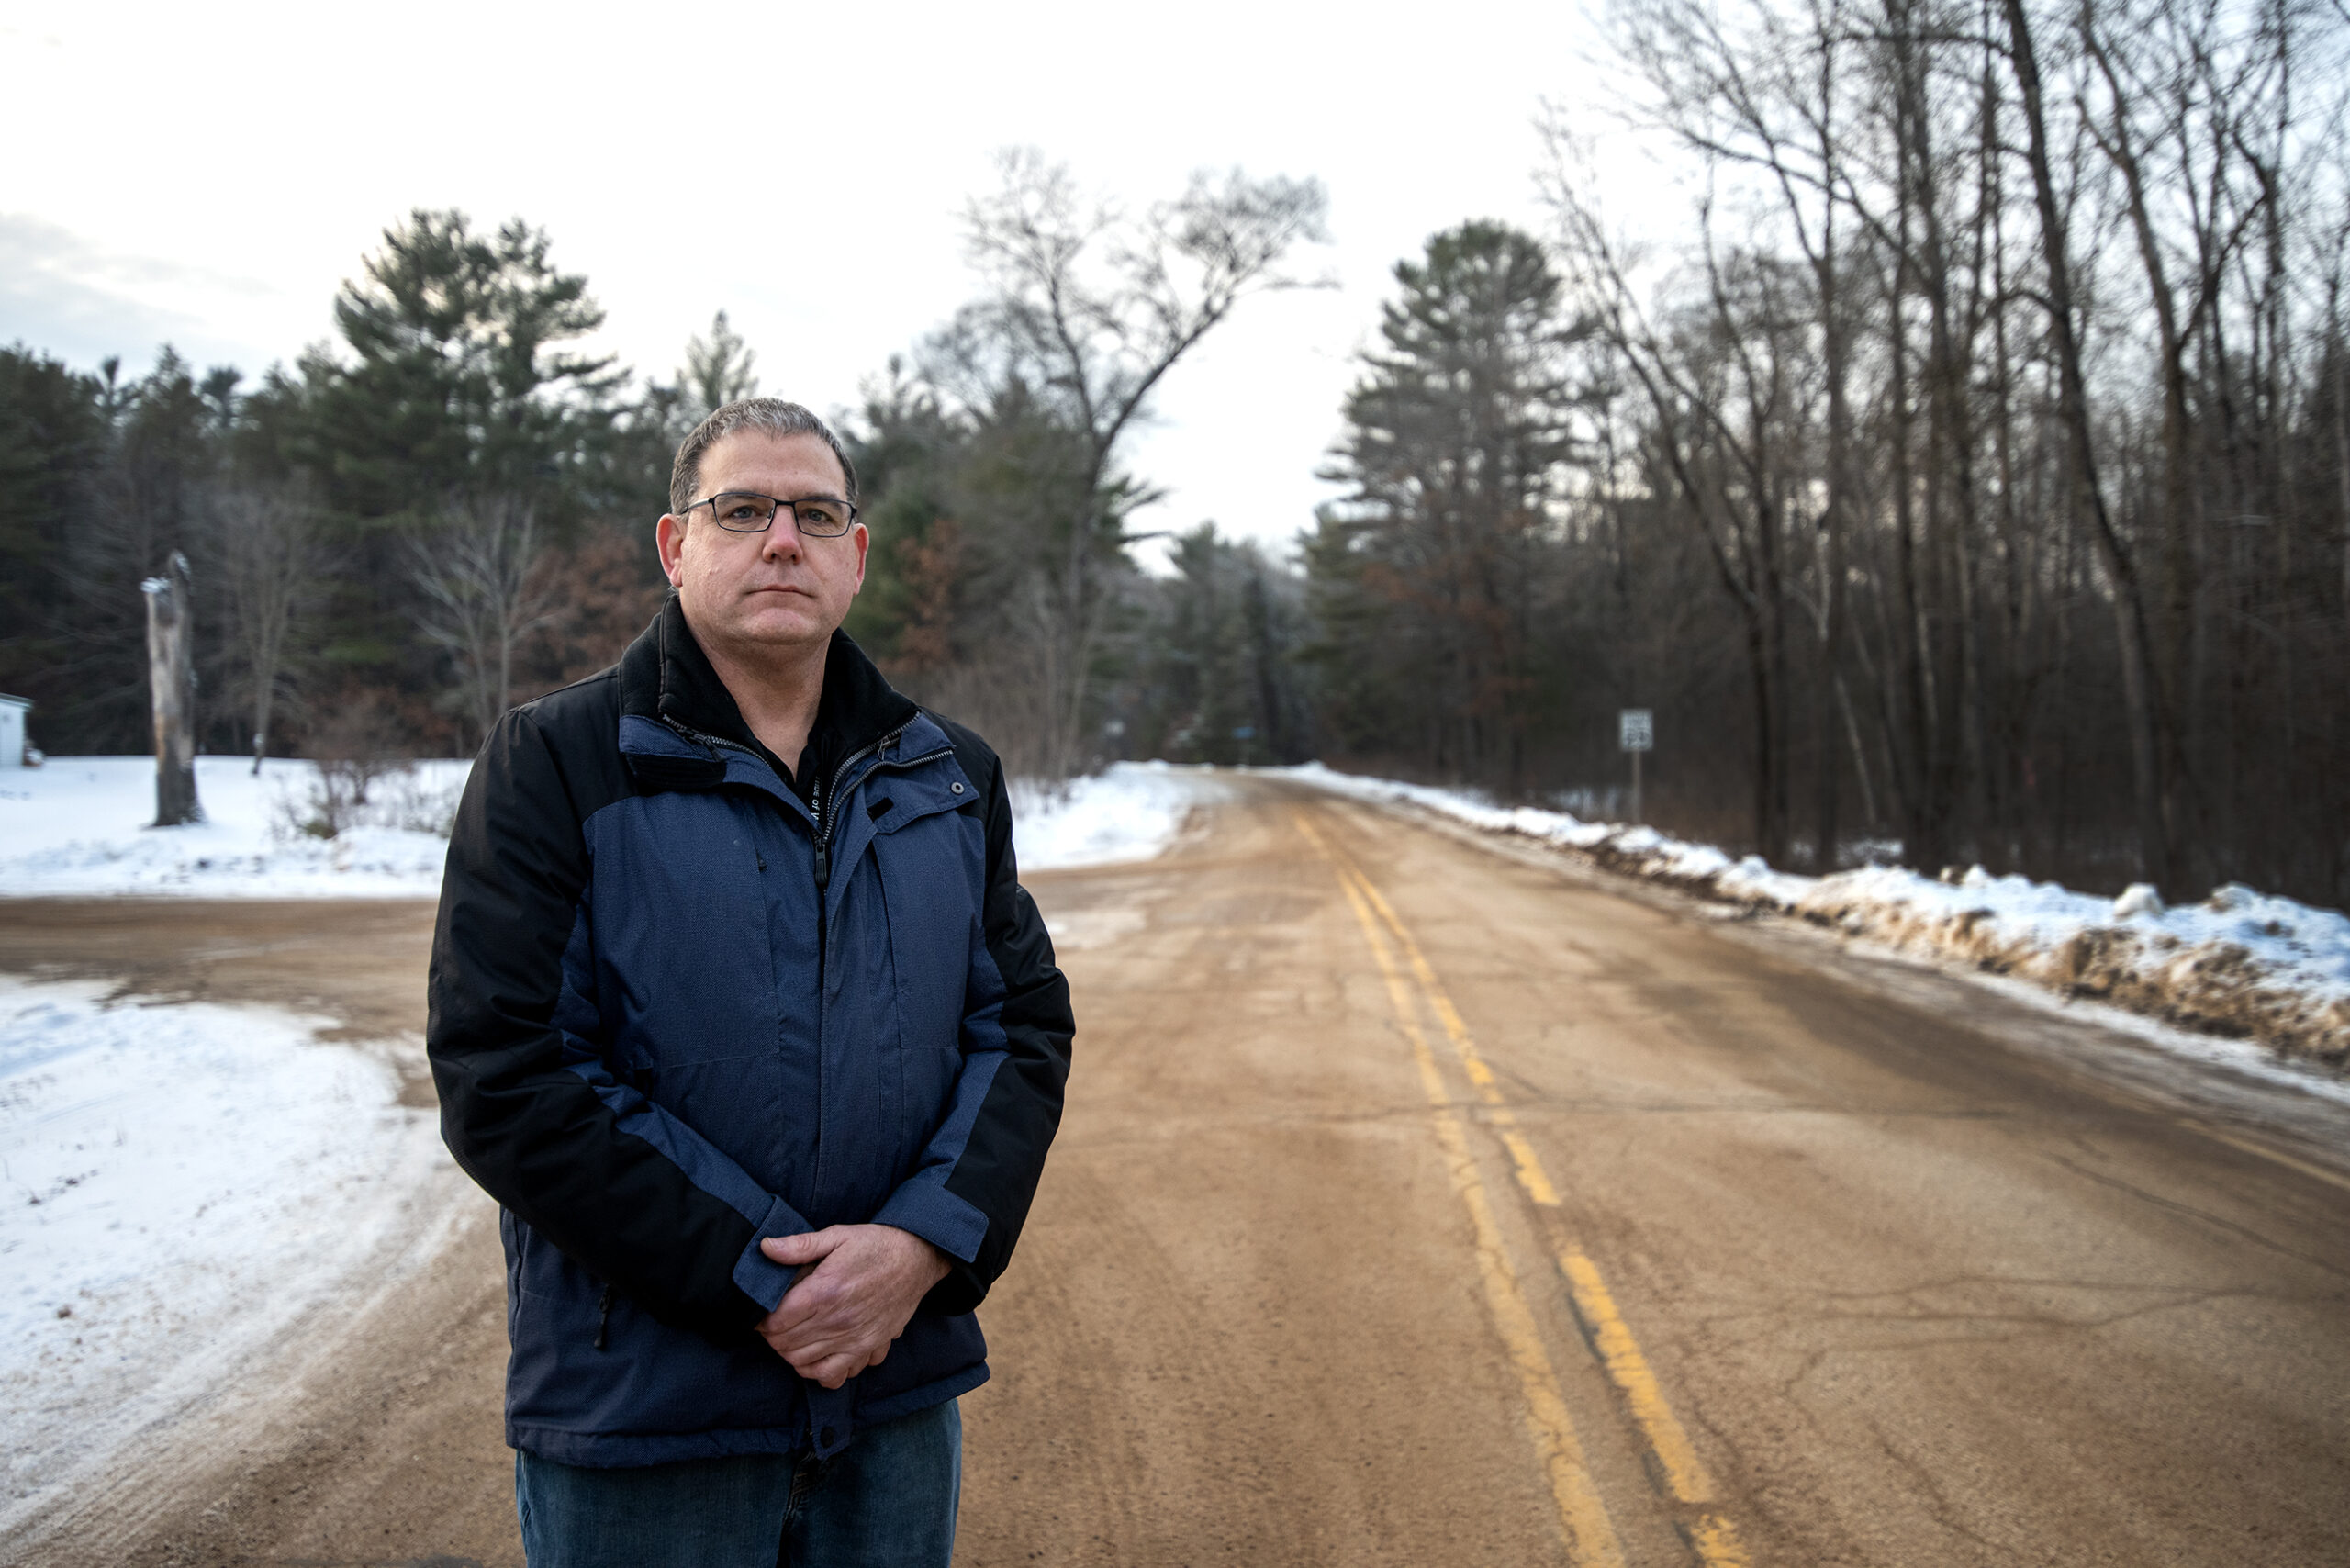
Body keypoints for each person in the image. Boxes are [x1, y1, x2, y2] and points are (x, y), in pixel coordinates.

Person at [427, 398, 1073, 1568]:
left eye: (816, 513)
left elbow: (1020, 1028)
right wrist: (763, 1279)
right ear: (677, 546)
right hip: (646, 1421)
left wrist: (918, 1247)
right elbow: (504, 1072)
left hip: (893, 1395)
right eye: (742, 510)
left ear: (856, 556)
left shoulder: (947, 776)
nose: (783, 539)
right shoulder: (555, 764)